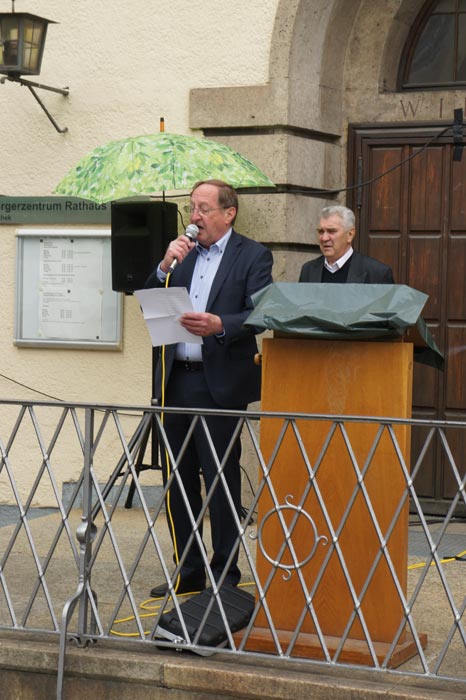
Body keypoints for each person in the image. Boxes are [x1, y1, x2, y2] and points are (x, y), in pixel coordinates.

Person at [144, 179, 273, 597]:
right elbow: (150, 298)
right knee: (178, 480)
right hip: (175, 380)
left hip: (219, 386)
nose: (194, 218)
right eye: (191, 209)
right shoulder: (180, 255)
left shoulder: (252, 255)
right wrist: (163, 266)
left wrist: (221, 324)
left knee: (220, 481)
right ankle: (189, 571)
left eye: (202, 209)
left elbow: (262, 313)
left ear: (228, 212)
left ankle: (223, 575)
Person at [299, 205, 394, 283]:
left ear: (350, 234)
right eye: (320, 231)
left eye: (331, 231)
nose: (324, 238)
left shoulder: (377, 273)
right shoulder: (308, 270)